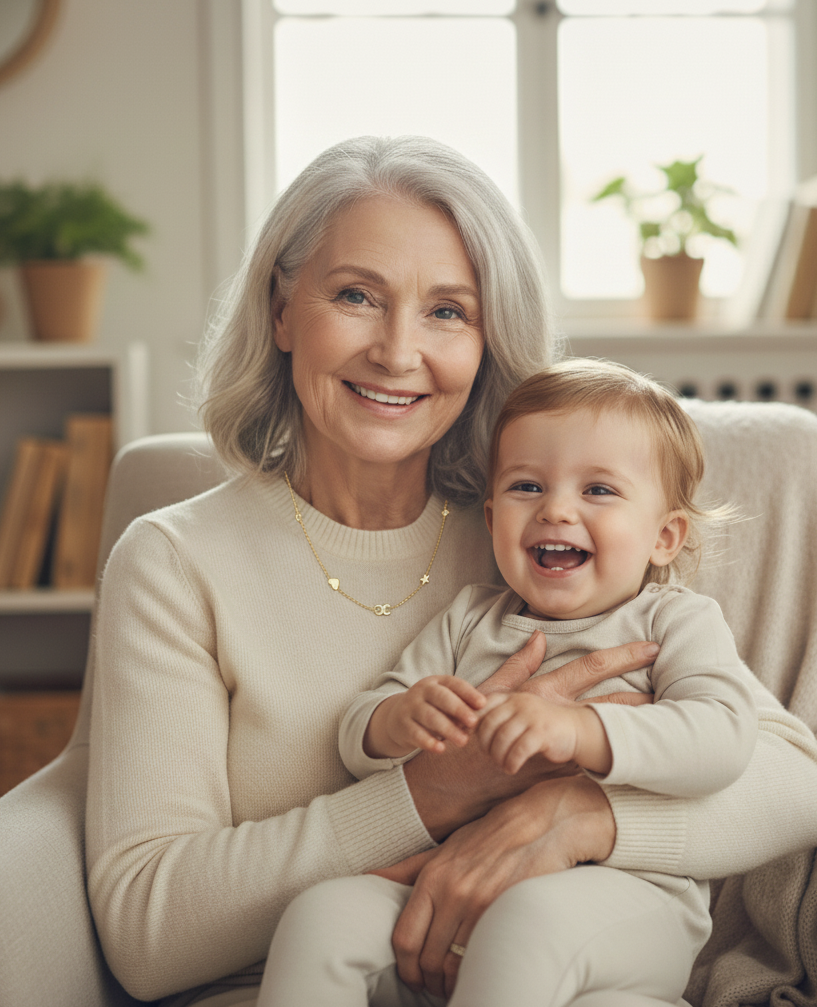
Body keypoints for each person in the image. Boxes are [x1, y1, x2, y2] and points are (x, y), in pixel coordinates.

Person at [84, 136, 817, 1007]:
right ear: (282, 310)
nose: (398, 351)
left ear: (486, 342)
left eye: (447, 311)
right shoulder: (175, 562)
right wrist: (434, 791)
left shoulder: (535, 538)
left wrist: (574, 814)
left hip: (565, 948)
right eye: (355, 294)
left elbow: (787, 778)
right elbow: (145, 927)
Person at [257, 359, 757, 1007]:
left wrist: (583, 728)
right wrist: (399, 718)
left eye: (598, 491)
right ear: (491, 517)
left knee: (524, 925)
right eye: (526, 486)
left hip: (627, 900)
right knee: (321, 915)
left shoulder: (674, 620)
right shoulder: (471, 617)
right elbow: (357, 733)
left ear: (663, 535)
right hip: (450, 882)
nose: (555, 509)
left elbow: (723, 736)